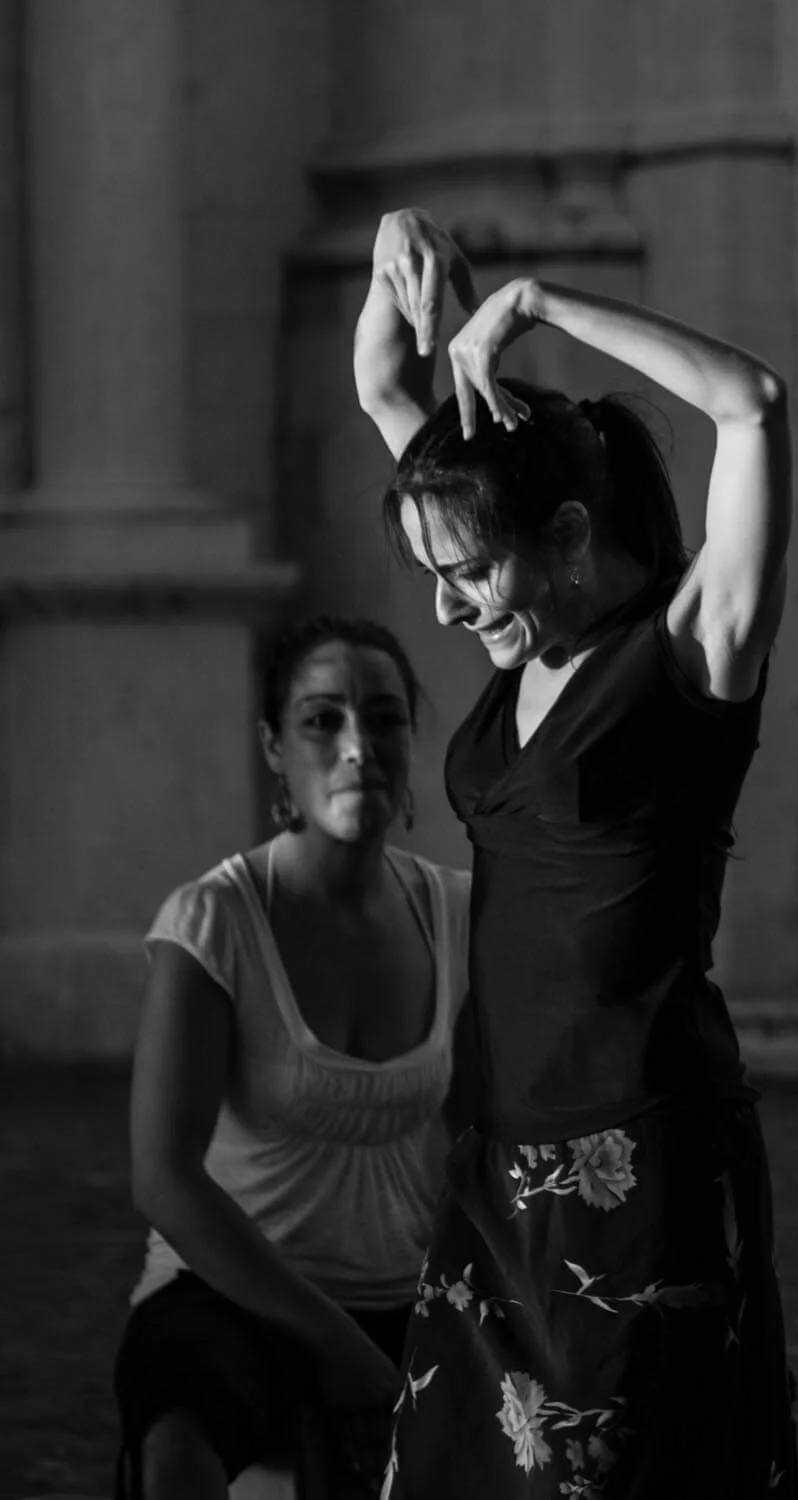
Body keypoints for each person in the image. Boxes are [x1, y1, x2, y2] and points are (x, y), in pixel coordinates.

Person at [352, 207, 798, 1496]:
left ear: (564, 533)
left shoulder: (694, 649)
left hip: (638, 1164)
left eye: (470, 569)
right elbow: (384, 379)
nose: (445, 605)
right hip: (489, 1153)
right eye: (431, 571)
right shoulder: (516, 627)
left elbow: (753, 405)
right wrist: (399, 253)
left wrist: (540, 303)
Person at [115, 617, 471, 1500]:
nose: (358, 746)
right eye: (322, 721)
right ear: (275, 749)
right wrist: (337, 1345)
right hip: (230, 1294)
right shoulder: (214, 920)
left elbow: (491, 1136)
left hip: (406, 1297)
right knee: (179, 1436)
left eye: (385, 719)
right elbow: (163, 1180)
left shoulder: (464, 913)